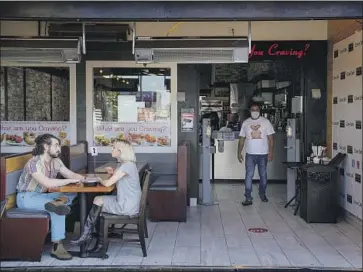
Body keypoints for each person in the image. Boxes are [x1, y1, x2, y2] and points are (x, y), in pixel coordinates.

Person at [16, 134, 85, 260]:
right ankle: (57, 247)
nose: (59, 148)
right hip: (27, 198)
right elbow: (47, 183)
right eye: (56, 145)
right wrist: (69, 181)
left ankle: (58, 202)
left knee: (73, 192)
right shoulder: (33, 163)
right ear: (45, 147)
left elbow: (71, 174)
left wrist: (85, 179)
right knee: (58, 210)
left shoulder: (56, 161)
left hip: (44, 196)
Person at [71, 139, 141, 257]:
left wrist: (99, 179)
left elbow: (108, 184)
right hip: (130, 203)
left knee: (98, 200)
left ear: (120, 151)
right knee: (98, 201)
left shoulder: (126, 166)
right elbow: (121, 180)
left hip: (125, 206)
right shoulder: (127, 165)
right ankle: (94, 240)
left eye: (113, 147)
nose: (111, 149)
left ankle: (89, 237)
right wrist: (113, 173)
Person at [237, 102, 275, 206]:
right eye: (253, 110)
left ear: (260, 111)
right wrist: (239, 152)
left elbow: (271, 139)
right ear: (250, 111)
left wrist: (271, 152)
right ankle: (248, 197)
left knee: (263, 175)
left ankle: (262, 194)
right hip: (250, 154)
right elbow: (241, 139)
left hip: (263, 154)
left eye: (257, 109)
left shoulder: (266, 122)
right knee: (249, 175)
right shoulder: (245, 123)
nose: (255, 112)